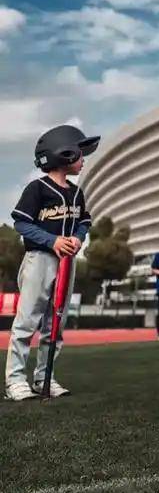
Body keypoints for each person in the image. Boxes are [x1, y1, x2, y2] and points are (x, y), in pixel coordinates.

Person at [5, 124, 99, 401]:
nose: (83, 159)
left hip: (67, 263)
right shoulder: (37, 188)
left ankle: (44, 377)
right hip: (40, 259)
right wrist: (52, 240)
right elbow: (21, 223)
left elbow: (84, 222)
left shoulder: (76, 192)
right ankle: (15, 381)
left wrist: (78, 238)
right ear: (64, 153)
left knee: (55, 324)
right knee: (26, 322)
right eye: (80, 153)